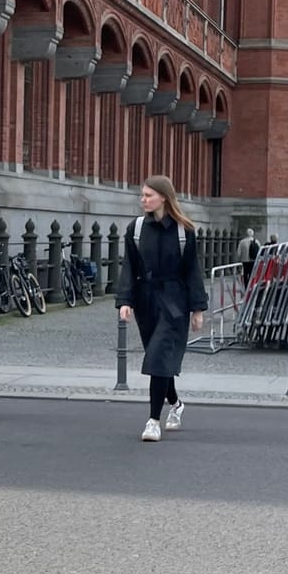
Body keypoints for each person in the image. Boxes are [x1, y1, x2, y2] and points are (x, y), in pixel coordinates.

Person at [117, 176, 208, 443]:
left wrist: (197, 309)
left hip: (175, 302)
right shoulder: (135, 228)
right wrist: (125, 300)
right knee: (160, 361)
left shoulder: (184, 231)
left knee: (157, 358)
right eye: (142, 195)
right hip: (146, 301)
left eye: (148, 195)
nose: (142, 199)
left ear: (164, 197)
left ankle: (153, 420)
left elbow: (193, 271)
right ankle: (176, 403)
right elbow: (129, 267)